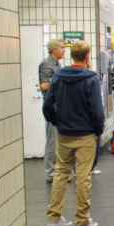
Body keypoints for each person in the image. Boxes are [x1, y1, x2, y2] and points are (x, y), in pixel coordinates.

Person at [44, 41, 105, 226]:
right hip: (86, 134)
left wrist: (57, 122)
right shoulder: (91, 79)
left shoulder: (58, 76)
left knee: (61, 173)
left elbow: (47, 106)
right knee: (83, 176)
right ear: (87, 57)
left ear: (71, 55)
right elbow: (96, 109)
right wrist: (98, 129)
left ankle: (54, 217)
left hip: (64, 133)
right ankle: (82, 219)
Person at [39, 39, 67, 182]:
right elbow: (44, 85)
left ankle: (59, 170)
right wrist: (59, 81)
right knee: (52, 141)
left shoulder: (57, 65)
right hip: (52, 107)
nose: (64, 50)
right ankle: (51, 173)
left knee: (60, 141)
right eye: (62, 48)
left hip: (60, 106)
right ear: (53, 49)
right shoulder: (46, 64)